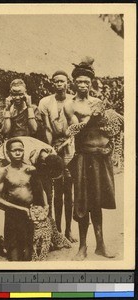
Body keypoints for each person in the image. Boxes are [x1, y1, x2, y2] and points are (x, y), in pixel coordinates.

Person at [64, 57, 116, 260]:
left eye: (87, 82)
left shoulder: (99, 103)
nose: (83, 85)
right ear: (74, 83)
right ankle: (82, 247)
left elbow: (109, 129)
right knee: (82, 202)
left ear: (91, 83)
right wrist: (91, 118)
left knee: (98, 200)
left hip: (101, 158)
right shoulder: (70, 105)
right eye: (80, 82)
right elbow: (75, 130)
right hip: (83, 158)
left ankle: (101, 245)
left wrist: (109, 146)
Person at [39, 71, 77, 243]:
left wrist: (69, 143)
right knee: (54, 193)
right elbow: (47, 128)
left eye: (62, 81)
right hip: (53, 148)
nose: (59, 84)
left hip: (71, 148)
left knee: (68, 192)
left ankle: (69, 230)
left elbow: (76, 127)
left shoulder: (73, 100)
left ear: (67, 82)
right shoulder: (45, 102)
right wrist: (50, 149)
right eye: (56, 81)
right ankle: (57, 232)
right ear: (52, 83)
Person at [0, 138, 47, 261]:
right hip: (12, 215)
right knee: (14, 258)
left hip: (29, 215)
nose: (18, 153)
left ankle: (4, 245)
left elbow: (41, 190)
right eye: (14, 151)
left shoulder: (30, 169)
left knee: (27, 256)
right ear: (8, 153)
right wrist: (21, 209)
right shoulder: (4, 171)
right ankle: (4, 245)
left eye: (20, 150)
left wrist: (46, 206)